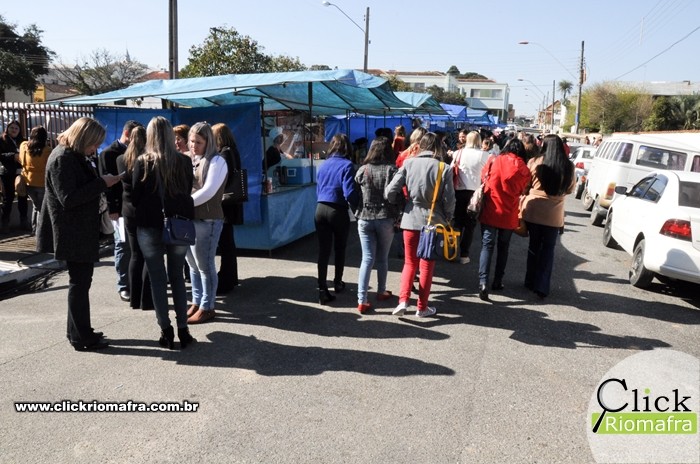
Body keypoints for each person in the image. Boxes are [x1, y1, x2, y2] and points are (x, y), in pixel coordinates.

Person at [36, 117, 122, 351]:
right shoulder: (63, 158)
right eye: (94, 144)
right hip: (72, 231)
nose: (95, 149)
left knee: (81, 283)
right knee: (80, 284)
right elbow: (69, 198)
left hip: (77, 230)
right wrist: (102, 183)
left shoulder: (70, 155)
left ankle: (77, 331)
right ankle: (82, 337)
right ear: (84, 138)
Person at [131, 116, 196, 349]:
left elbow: (135, 197)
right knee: (177, 276)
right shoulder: (184, 161)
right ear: (170, 135)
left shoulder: (143, 162)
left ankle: (166, 331)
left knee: (157, 279)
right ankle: (183, 330)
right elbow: (187, 190)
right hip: (178, 225)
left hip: (149, 225)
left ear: (149, 135)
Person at [385, 132, 455, 317]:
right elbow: (449, 200)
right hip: (433, 222)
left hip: (410, 219)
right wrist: (448, 217)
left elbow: (390, 191)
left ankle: (403, 301)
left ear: (420, 145)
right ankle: (422, 307)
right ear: (437, 147)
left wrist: (401, 204)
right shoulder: (444, 168)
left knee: (409, 263)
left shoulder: (408, 163)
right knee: (426, 265)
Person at [520, 135, 575, 299]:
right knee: (548, 250)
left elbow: (526, 184)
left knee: (534, 246)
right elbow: (570, 189)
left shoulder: (534, 162)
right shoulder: (568, 166)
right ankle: (542, 285)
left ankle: (530, 280)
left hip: (534, 210)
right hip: (554, 214)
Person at [477, 137, 531, 301]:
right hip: (509, 213)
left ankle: (483, 282)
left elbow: (483, 178)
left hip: (491, 209)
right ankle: (498, 280)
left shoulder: (494, 160)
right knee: (503, 247)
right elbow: (523, 191)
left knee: (487, 246)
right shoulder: (523, 168)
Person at [186, 122, 228, 324]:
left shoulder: (217, 161)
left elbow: (209, 190)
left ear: (208, 142)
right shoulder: (191, 159)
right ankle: (197, 301)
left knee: (205, 266)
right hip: (190, 218)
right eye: (191, 141)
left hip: (208, 219)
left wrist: (183, 204)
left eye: (198, 142)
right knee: (193, 266)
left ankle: (207, 306)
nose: (193, 146)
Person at [354, 136, 401, 313]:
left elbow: (355, 192)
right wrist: (398, 215)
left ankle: (362, 300)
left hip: (364, 218)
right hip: (385, 218)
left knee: (367, 259)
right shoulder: (392, 170)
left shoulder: (362, 169)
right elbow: (398, 195)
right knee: (382, 258)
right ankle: (381, 291)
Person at [98, 120, 143, 303]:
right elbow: (107, 184)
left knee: (137, 246)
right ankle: (124, 284)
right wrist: (113, 208)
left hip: (136, 207)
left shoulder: (140, 152)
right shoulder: (109, 153)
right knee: (122, 246)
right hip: (119, 208)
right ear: (127, 133)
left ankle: (136, 281)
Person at [314, 133, 359, 305]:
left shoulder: (323, 164)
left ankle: (321, 289)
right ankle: (338, 282)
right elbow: (349, 193)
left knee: (323, 251)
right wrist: (357, 206)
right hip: (337, 209)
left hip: (320, 208)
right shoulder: (347, 165)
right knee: (340, 248)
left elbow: (319, 188)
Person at [116, 125, 153, 311]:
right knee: (148, 255)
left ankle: (134, 298)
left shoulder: (121, 159)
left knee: (134, 254)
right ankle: (147, 298)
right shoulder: (148, 160)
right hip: (145, 211)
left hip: (128, 210)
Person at [212, 123, 244, 295]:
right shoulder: (233, 151)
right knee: (228, 243)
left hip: (225, 204)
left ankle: (226, 279)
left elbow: (222, 179)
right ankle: (230, 277)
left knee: (226, 244)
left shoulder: (224, 154)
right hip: (232, 204)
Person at [451, 131, 490, 264]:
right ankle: (464, 254)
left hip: (458, 191)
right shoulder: (484, 155)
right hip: (475, 193)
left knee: (457, 222)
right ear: (479, 140)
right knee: (470, 224)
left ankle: (452, 251)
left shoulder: (458, 153)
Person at [18, 126, 51, 236]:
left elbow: (20, 160)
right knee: (41, 208)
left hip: (27, 181)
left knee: (36, 206)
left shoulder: (23, 146)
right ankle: (40, 232)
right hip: (42, 182)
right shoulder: (47, 150)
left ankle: (34, 229)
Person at [0, 120, 28, 233]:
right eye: (12, 128)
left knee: (23, 197)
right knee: (8, 198)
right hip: (7, 173)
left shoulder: (23, 141)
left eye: (16, 128)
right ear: (7, 129)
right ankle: (5, 223)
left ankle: (24, 222)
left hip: (21, 173)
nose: (14, 130)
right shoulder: (2, 140)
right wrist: (13, 156)